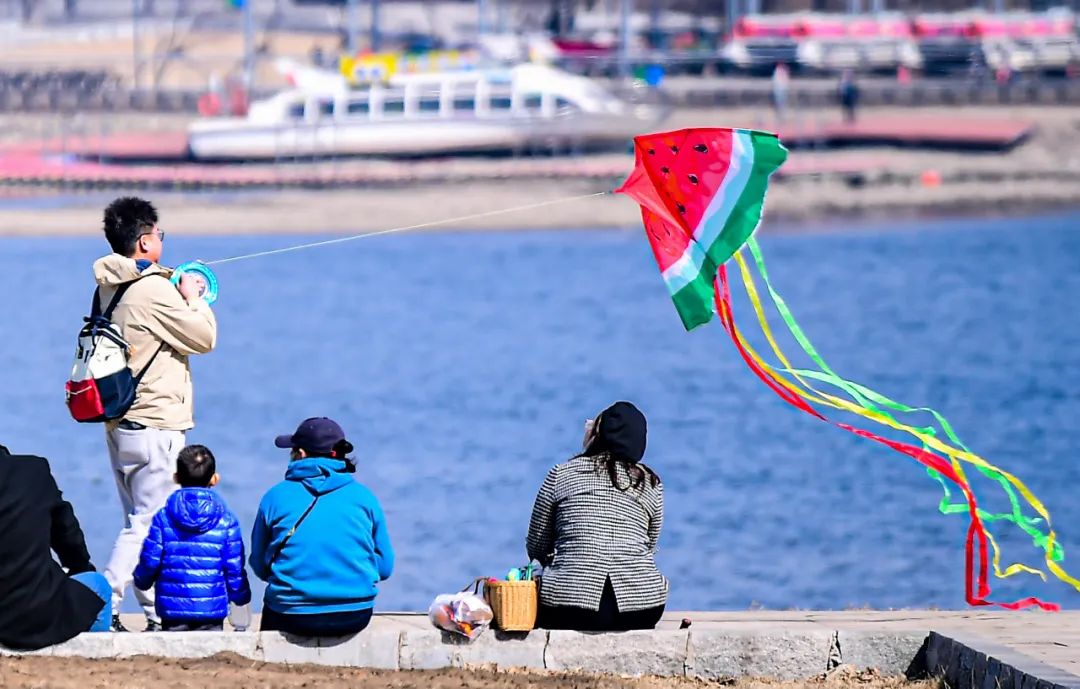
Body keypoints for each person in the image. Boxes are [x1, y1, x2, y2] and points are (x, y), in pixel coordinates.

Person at [94, 197, 218, 632]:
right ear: (145, 240)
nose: (161, 240)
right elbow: (203, 338)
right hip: (154, 423)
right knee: (148, 522)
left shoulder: (109, 284)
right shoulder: (152, 288)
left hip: (119, 421)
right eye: (159, 234)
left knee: (140, 520)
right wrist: (196, 297)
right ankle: (103, 600)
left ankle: (154, 613)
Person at [527, 401, 667, 631]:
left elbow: (536, 545)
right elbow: (649, 545)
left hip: (568, 607)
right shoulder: (651, 484)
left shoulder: (561, 475)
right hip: (643, 608)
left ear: (597, 436)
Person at [250, 418, 395, 637]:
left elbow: (260, 566)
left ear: (301, 454)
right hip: (354, 614)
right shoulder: (365, 498)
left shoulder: (274, 497)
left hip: (291, 614)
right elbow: (385, 568)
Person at [0, 445, 111, 650]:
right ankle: (94, 653)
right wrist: (80, 566)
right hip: (33, 610)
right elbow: (66, 530)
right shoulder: (33, 471)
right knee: (98, 586)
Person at [133, 445, 252, 631]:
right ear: (215, 479)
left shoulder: (163, 517)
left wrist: (142, 580)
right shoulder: (227, 520)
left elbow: (150, 560)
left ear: (176, 477)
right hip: (211, 608)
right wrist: (240, 597)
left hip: (172, 608)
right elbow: (234, 567)